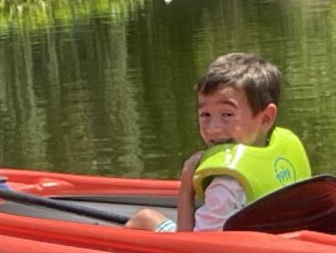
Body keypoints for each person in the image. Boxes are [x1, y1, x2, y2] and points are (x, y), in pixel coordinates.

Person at [125, 53, 312, 234]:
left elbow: (191, 247)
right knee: (147, 218)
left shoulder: (224, 186)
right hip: (276, 242)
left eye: (227, 115)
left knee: (143, 218)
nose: (213, 128)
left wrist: (186, 188)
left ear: (265, 118)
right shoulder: (282, 154)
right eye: (205, 115)